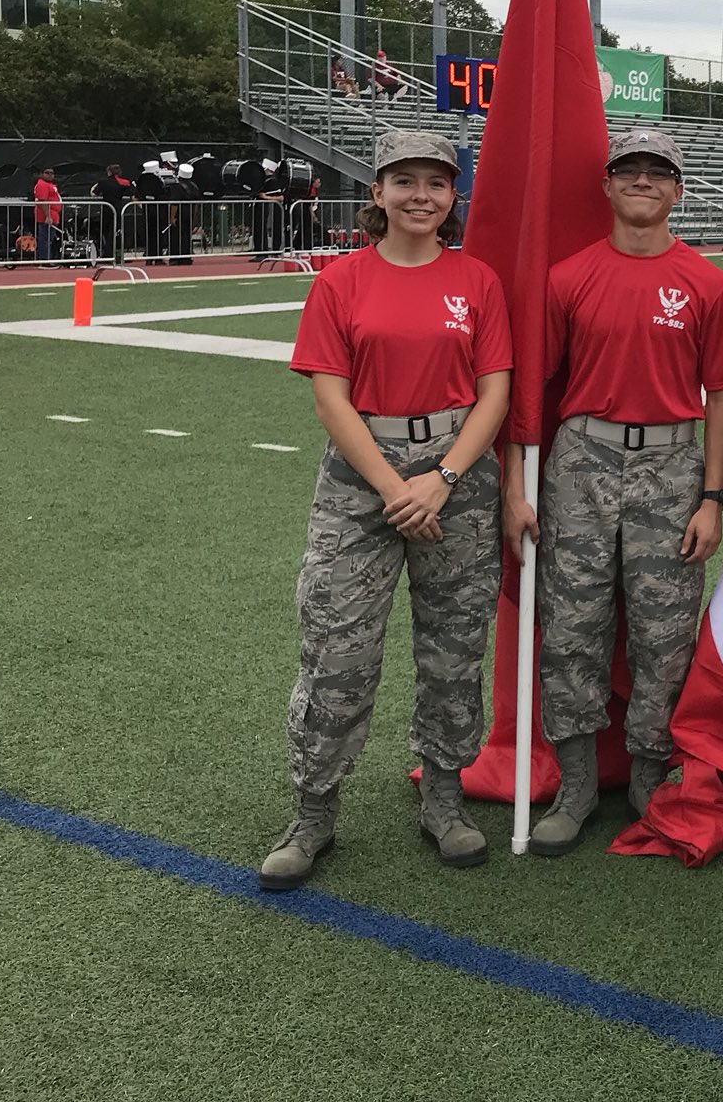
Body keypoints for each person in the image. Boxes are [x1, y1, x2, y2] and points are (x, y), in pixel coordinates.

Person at [260, 131, 513, 891]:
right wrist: (395, 487)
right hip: (359, 478)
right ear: (377, 193)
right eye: (404, 181)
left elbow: (495, 390)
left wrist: (442, 476)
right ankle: (314, 812)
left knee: (454, 648)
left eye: (436, 183)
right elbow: (329, 397)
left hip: (457, 476)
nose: (420, 196)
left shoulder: (477, 280)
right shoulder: (341, 281)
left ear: (452, 197)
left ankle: (444, 797)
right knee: (337, 648)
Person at [506, 128, 723, 856]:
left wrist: (712, 497)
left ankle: (647, 773)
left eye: (658, 172)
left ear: (678, 191)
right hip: (581, 461)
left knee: (663, 634)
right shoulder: (567, 278)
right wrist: (516, 485)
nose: (643, 181)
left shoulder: (707, 284)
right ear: (607, 186)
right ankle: (577, 782)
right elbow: (531, 390)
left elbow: (722, 395)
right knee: (571, 627)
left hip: (672, 467)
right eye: (629, 170)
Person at [31, 166, 62, 264]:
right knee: (45, 239)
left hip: (53, 215)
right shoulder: (42, 185)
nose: (50, 175)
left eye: (52, 173)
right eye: (47, 173)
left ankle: (47, 259)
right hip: (47, 216)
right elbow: (42, 201)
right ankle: (44, 260)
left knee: (48, 239)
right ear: (41, 174)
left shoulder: (49, 185)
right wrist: (48, 216)